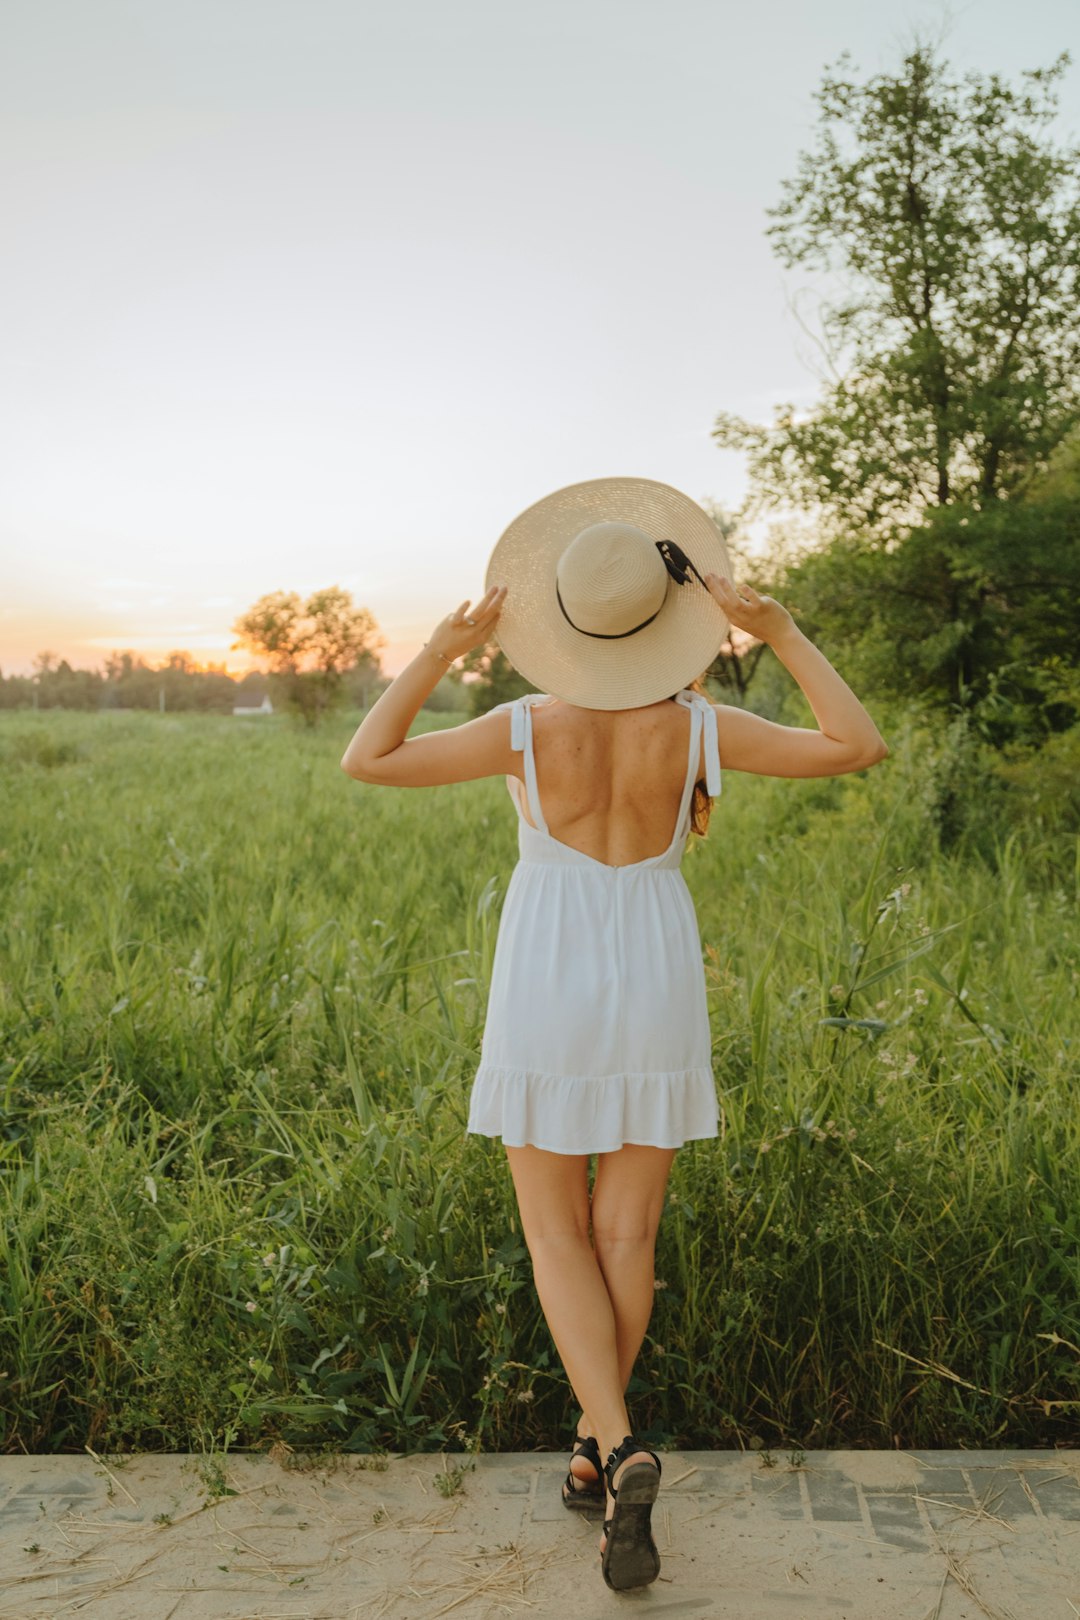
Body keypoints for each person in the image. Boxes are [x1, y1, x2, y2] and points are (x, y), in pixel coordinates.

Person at [340, 477, 889, 1592]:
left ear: (562, 621)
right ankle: (597, 1451)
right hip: (653, 970)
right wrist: (777, 630)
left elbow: (369, 758)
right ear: (665, 621)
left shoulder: (522, 728)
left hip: (545, 971)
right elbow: (855, 744)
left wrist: (444, 651)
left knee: (557, 1238)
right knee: (626, 1236)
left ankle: (617, 1440)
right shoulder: (701, 728)